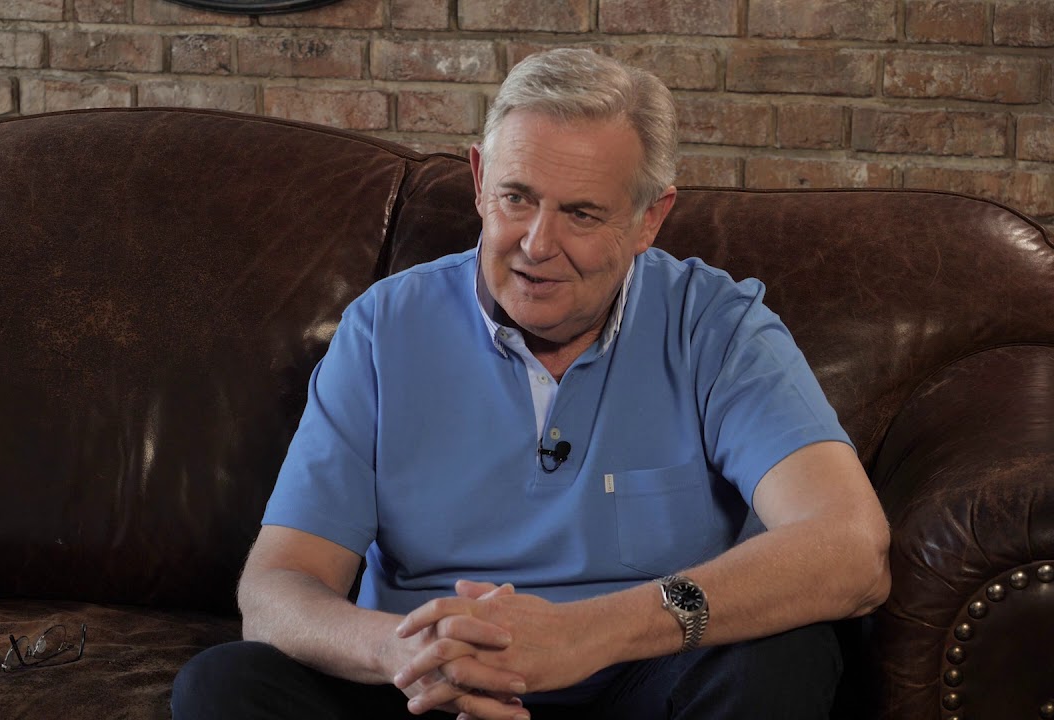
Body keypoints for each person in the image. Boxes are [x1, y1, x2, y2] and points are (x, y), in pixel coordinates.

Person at [172, 48, 891, 720]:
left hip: (638, 685)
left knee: (784, 657)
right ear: (479, 181)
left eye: (581, 213)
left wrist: (590, 634)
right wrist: (401, 650)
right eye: (517, 198)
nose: (537, 245)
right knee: (225, 684)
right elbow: (277, 588)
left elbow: (852, 547)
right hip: (428, 692)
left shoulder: (718, 328)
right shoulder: (384, 328)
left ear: (649, 218)